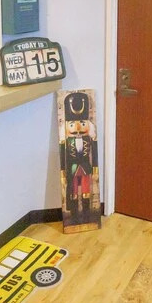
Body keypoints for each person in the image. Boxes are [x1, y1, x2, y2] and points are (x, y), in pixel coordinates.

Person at [60, 91, 99, 226]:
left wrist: (95, 168)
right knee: (74, 193)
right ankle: (75, 215)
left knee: (86, 192)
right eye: (72, 124)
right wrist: (63, 171)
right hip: (72, 169)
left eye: (82, 123)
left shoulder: (89, 138)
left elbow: (94, 152)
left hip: (86, 168)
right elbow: (63, 155)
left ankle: (87, 214)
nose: (77, 128)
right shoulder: (66, 141)